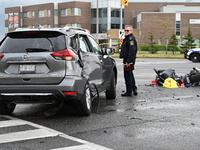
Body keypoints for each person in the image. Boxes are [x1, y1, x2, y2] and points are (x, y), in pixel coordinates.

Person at [119, 25, 138, 97]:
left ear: (131, 31)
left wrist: (128, 61)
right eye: (125, 30)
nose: (126, 32)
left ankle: (129, 91)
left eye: (128, 30)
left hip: (128, 60)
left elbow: (132, 51)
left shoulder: (130, 39)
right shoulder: (127, 38)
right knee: (130, 74)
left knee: (127, 75)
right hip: (127, 59)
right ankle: (133, 89)